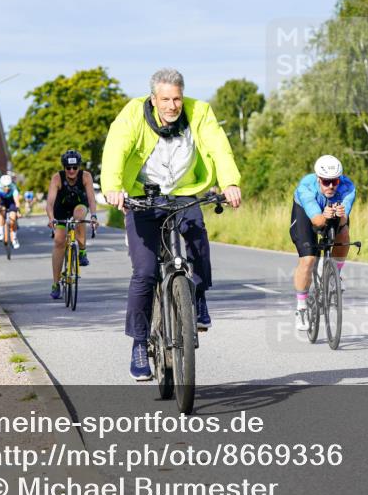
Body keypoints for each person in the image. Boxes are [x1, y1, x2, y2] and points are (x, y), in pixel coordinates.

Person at [101, 68, 241, 381]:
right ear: (153, 99)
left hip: (183, 193)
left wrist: (229, 181)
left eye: (176, 98)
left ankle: (198, 297)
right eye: (165, 99)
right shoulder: (132, 116)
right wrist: (112, 185)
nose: (172, 105)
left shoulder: (199, 112)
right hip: (142, 197)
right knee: (146, 272)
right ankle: (139, 344)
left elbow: (219, 146)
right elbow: (116, 149)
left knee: (196, 236)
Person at [290, 155, 356, 330]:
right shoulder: (306, 187)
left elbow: (343, 222)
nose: (331, 186)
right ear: (318, 179)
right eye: (326, 182)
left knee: (344, 233)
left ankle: (336, 275)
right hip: (307, 213)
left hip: (333, 213)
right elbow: (317, 222)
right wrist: (324, 216)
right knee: (308, 259)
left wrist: (341, 216)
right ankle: (301, 308)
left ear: (339, 179)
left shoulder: (348, 187)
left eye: (334, 181)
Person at [46, 149, 100, 299]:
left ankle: (82, 250)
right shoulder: (57, 178)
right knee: (59, 241)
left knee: (79, 216)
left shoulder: (86, 176)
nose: (71, 171)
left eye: (75, 167)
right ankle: (56, 284)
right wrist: (51, 218)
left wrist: (94, 216)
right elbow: (50, 202)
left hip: (79, 206)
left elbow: (91, 199)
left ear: (79, 167)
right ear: (64, 167)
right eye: (68, 168)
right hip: (61, 210)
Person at [0, 174, 21, 249]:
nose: (7, 188)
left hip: (11, 202)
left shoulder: (13, 188)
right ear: (1, 185)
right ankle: (1, 233)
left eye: (8, 185)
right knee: (1, 212)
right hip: (2, 202)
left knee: (13, 220)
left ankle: (14, 239)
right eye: (5, 186)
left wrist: (18, 211)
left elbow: (16, 201)